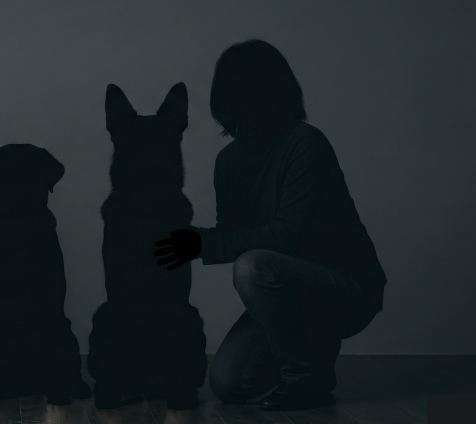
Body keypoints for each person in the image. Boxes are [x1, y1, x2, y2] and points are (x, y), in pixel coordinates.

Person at [153, 39, 386, 411]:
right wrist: (190, 237)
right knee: (228, 383)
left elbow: (287, 234)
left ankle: (305, 379)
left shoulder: (306, 143)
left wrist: (205, 243)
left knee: (253, 266)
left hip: (347, 288)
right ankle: (312, 351)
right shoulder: (228, 160)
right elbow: (232, 233)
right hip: (288, 288)